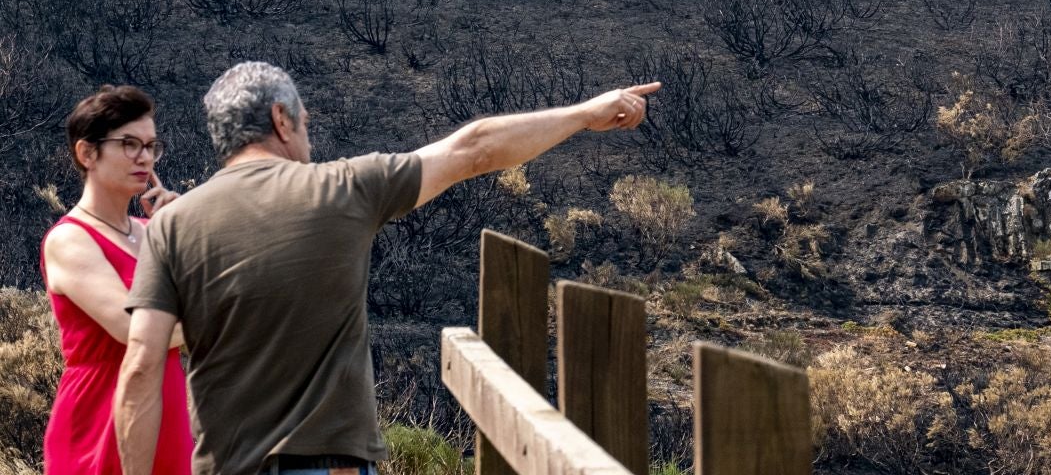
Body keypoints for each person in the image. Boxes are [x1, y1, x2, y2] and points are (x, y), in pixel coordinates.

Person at [113, 61, 661, 475]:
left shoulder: (171, 225)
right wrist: (586, 113)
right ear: (281, 120)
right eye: (304, 124)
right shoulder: (343, 188)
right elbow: (474, 149)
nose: (308, 139)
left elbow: (140, 368)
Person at [43, 86, 193, 475]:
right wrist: (211, 314)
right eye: (129, 144)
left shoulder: (153, 231)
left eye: (151, 146)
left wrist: (184, 237)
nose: (144, 157)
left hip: (166, 413)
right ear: (86, 153)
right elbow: (134, 331)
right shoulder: (69, 239)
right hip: (98, 420)